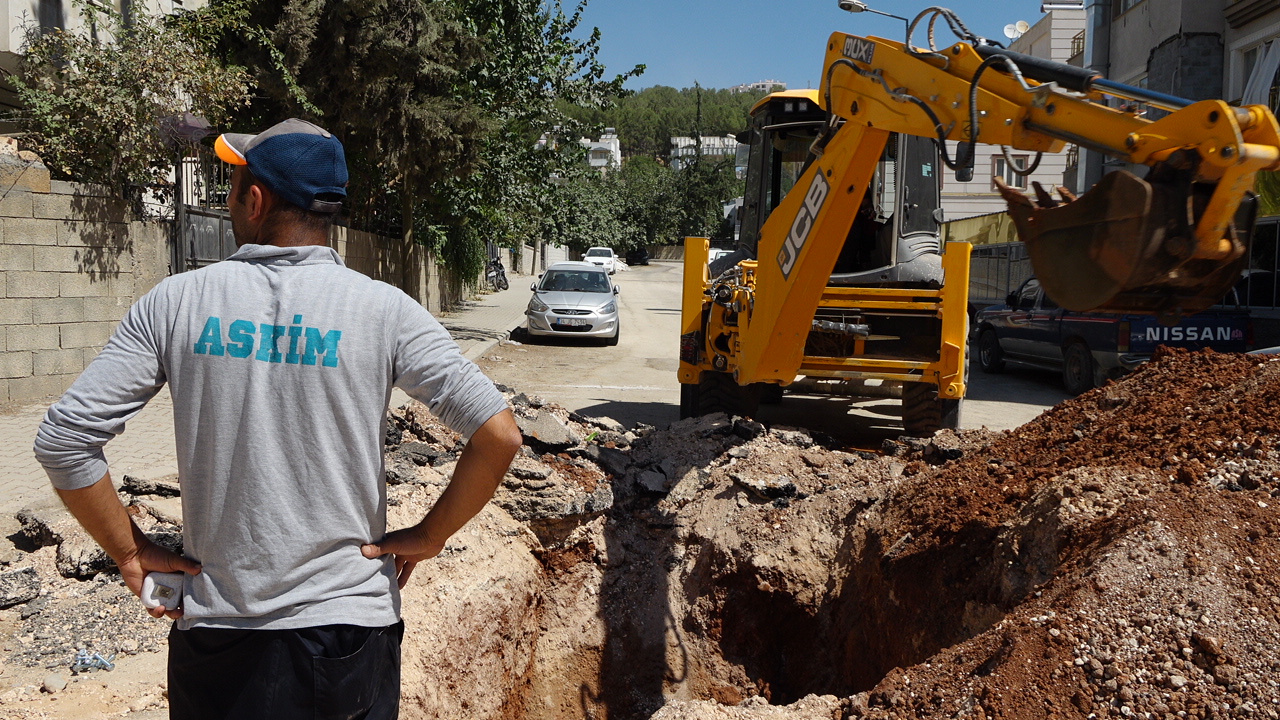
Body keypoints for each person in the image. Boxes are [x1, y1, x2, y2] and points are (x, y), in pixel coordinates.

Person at [33, 118, 523, 719]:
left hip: (220, 636)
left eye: (235, 182)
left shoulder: (178, 301)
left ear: (256, 200)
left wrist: (129, 551)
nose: (230, 195)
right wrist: (431, 534)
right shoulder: (384, 311)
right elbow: (498, 434)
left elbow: (64, 440)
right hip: (348, 634)